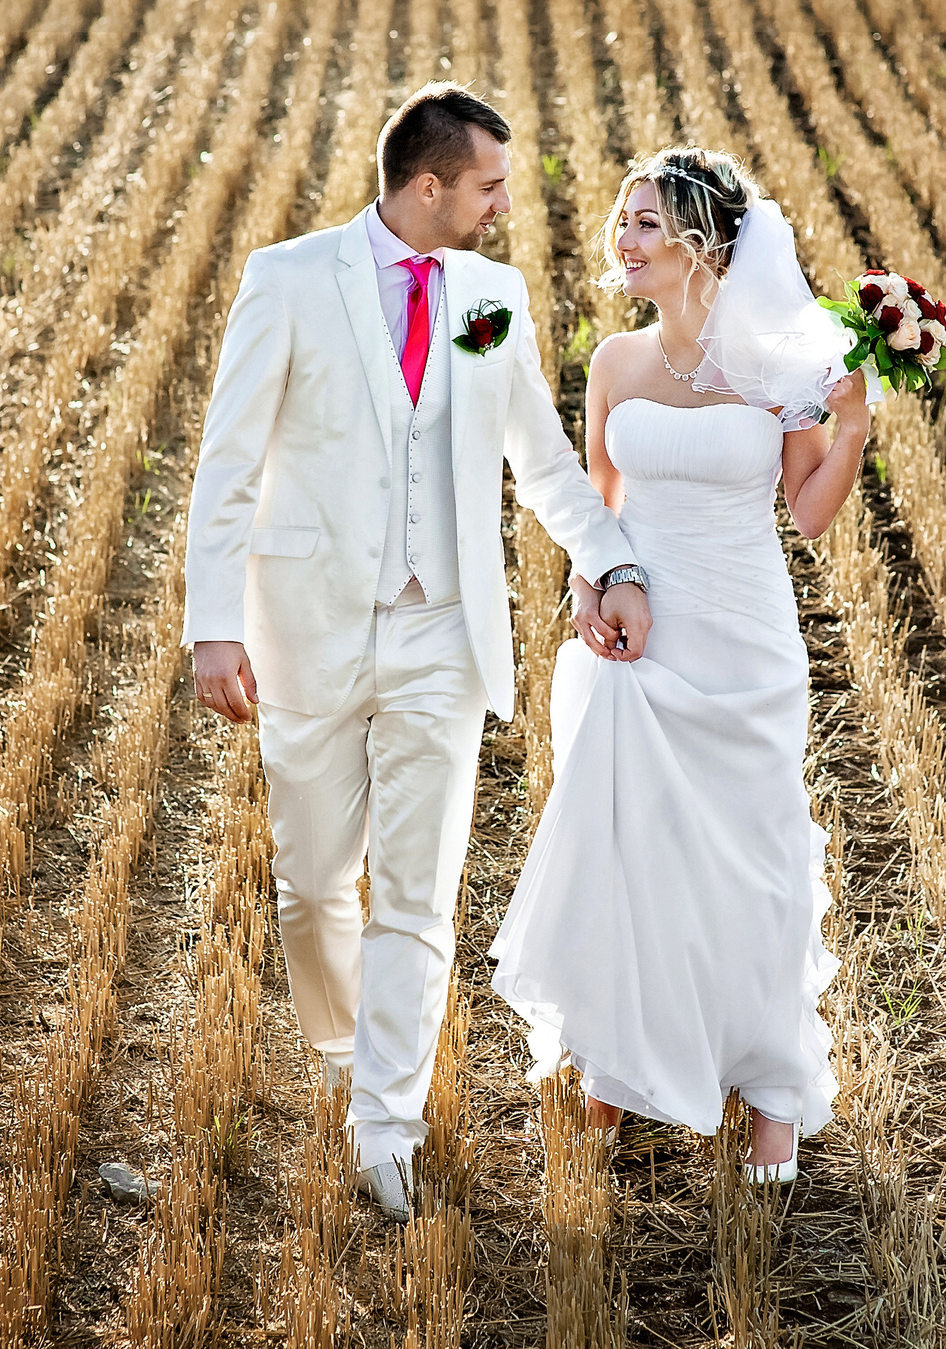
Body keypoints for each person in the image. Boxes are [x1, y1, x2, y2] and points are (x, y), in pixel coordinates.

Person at [183, 83, 651, 1221]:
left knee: (418, 896)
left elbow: (538, 460)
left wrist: (614, 561)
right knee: (308, 890)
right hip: (307, 626)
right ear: (428, 186)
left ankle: (385, 1125)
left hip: (445, 630)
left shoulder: (492, 298)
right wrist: (212, 624)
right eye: (489, 184)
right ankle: (349, 1058)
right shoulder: (288, 280)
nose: (505, 203)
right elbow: (229, 460)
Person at [491, 147, 869, 1184]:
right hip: (639, 642)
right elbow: (596, 513)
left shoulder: (774, 370)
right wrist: (586, 591)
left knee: (753, 866)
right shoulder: (613, 362)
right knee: (631, 860)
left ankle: (773, 1103)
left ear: (705, 244)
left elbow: (808, 515)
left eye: (647, 221)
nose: (624, 236)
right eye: (624, 220)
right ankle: (615, 1076)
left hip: (745, 639)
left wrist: (852, 424)